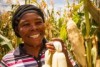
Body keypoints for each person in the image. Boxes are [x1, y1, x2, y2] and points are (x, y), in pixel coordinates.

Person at [0, 4, 78, 67]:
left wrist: (65, 58)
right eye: (26, 24)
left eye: (38, 22)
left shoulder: (58, 51)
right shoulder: (8, 61)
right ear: (17, 30)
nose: (34, 28)